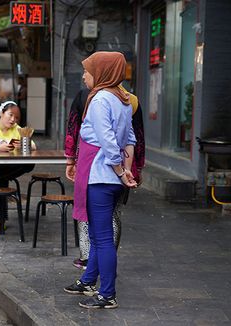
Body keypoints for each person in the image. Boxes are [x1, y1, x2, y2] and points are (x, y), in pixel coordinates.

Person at [62, 51, 137, 309]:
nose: (84, 75)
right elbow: (130, 140)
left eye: (88, 70)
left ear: (102, 72)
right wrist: (126, 171)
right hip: (111, 177)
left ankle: (107, 294)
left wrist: (118, 171)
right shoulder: (124, 99)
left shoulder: (100, 99)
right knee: (97, 233)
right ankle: (89, 280)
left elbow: (106, 140)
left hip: (100, 175)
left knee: (102, 238)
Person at [65, 85, 145, 270]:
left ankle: (88, 258)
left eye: (88, 70)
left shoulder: (90, 96)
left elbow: (73, 128)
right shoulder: (129, 99)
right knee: (113, 213)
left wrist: (70, 158)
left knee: (88, 214)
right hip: (126, 164)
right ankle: (105, 257)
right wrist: (137, 166)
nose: (84, 76)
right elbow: (137, 136)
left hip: (96, 165)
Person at [0, 101, 36, 230]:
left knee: (30, 164)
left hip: (5, 168)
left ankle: (1, 219)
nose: (13, 119)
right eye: (10, 115)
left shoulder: (16, 129)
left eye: (16, 117)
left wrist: (22, 144)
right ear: (1, 113)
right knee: (0, 176)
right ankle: (1, 219)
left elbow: (33, 145)